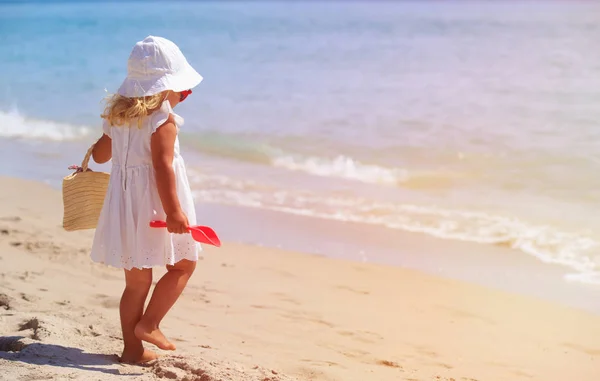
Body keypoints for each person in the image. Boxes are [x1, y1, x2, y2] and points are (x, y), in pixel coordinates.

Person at [90, 35, 203, 364]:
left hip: (125, 207)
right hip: (155, 206)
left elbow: (100, 156)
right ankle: (150, 324)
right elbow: (162, 167)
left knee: (136, 282)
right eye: (182, 89)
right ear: (164, 88)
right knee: (184, 265)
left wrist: (110, 133)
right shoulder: (163, 121)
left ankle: (132, 350)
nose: (185, 95)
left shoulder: (119, 118)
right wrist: (175, 212)